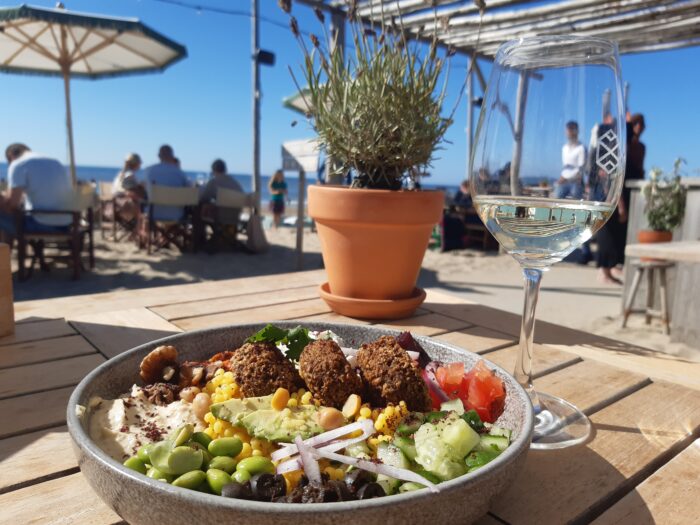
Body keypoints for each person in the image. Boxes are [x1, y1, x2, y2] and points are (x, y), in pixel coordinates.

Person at [596, 113, 646, 284]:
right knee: (607, 235)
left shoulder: (631, 147)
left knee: (616, 235)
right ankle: (604, 274)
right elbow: (611, 177)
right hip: (612, 198)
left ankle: (609, 271)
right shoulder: (615, 147)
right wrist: (620, 205)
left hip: (619, 195)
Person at [0, 143, 73, 238]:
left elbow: (12, 205)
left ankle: (6, 251)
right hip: (66, 225)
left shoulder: (18, 164)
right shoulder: (56, 162)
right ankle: (7, 249)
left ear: (11, 157)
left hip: (40, 225)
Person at [143, 145, 189, 222]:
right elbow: (188, 190)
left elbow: (144, 188)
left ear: (158, 156)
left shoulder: (148, 170)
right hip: (177, 214)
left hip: (153, 213)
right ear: (172, 156)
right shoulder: (180, 172)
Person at [200, 159, 244, 226]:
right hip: (235, 216)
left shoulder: (213, 182)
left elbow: (203, 197)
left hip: (220, 217)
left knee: (199, 210)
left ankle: (199, 235)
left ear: (213, 170)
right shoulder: (234, 182)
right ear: (225, 169)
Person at [555, 121, 586, 199]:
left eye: (569, 130)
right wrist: (562, 177)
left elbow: (580, 170)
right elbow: (566, 167)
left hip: (575, 182)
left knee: (576, 199)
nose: (567, 133)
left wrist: (565, 178)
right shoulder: (564, 148)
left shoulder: (581, 148)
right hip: (564, 181)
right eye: (567, 131)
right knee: (557, 199)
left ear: (576, 131)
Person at [112, 153, 145, 223]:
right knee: (143, 202)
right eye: (140, 163)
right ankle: (139, 229)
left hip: (115, 204)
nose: (140, 165)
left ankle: (138, 229)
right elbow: (133, 191)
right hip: (124, 206)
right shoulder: (129, 175)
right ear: (136, 164)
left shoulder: (121, 174)